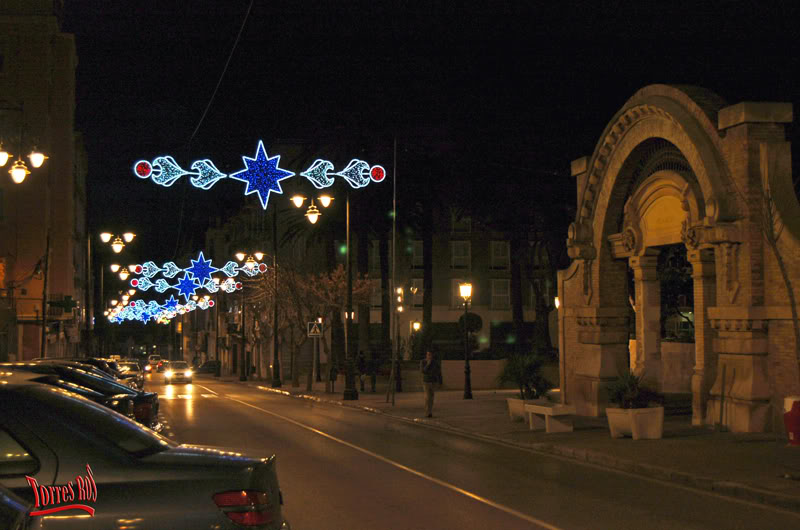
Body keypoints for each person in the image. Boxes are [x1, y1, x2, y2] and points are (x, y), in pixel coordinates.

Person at [420, 349, 441, 418]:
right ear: (426, 355)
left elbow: (438, 371)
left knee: (431, 397)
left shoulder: (435, 362)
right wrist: (428, 364)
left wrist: (438, 380)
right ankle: (427, 412)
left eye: (430, 355)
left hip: (433, 381)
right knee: (427, 397)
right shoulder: (423, 362)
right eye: (428, 354)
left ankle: (430, 411)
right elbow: (423, 371)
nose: (429, 356)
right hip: (426, 381)